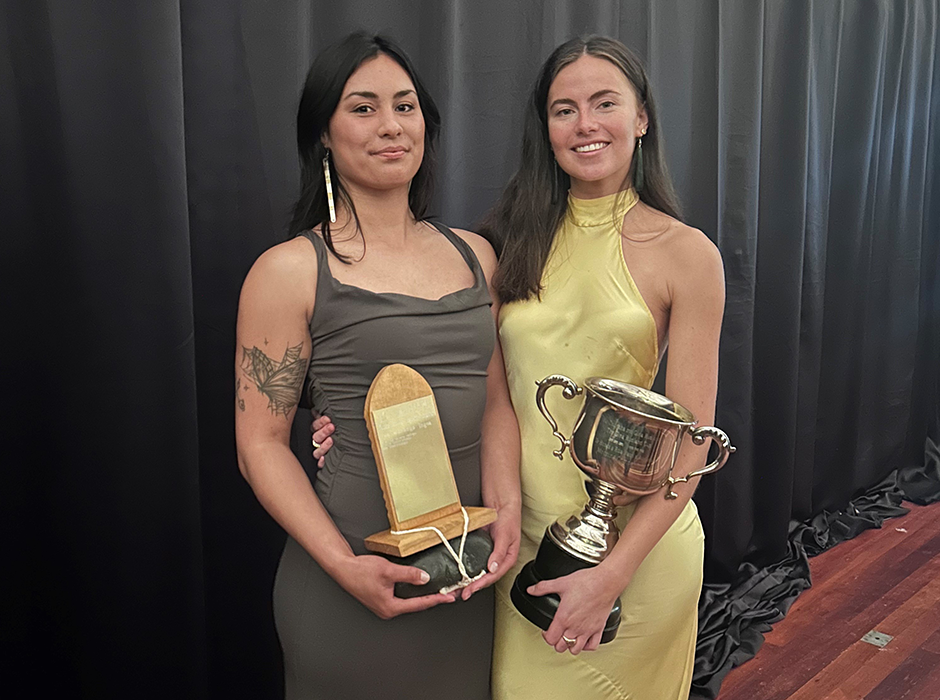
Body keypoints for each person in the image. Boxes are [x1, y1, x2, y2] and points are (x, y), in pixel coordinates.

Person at [311, 33, 726, 700]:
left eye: (604, 103)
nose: (585, 125)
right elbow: (484, 383)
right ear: (546, 127)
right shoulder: (507, 236)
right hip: (519, 538)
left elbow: (693, 440)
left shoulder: (688, 254)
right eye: (564, 109)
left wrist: (611, 577)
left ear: (642, 117)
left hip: (635, 554)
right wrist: (339, 414)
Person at [235, 32, 520, 700]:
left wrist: (507, 507)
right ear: (324, 135)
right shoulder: (288, 271)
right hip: (349, 575)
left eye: (405, 105)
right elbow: (259, 446)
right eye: (362, 108)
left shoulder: (479, 255)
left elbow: (498, 400)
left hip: (469, 567)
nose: (391, 125)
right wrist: (344, 564)